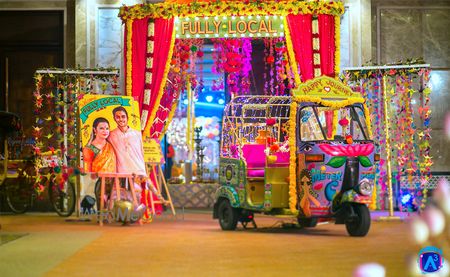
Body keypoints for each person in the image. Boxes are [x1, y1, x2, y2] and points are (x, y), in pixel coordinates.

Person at [108, 106, 146, 176]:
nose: (121, 119)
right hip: (121, 173)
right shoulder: (110, 135)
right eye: (118, 117)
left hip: (139, 171)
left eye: (123, 116)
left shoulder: (137, 134)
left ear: (127, 117)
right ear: (114, 119)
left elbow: (142, 153)